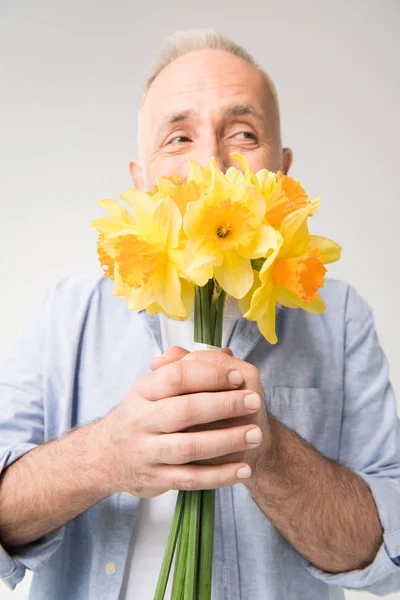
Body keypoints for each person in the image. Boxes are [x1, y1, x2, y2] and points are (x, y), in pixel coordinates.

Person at [0, 29, 399, 600]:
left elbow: (385, 553)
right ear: (139, 180)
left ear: (282, 176)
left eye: (243, 133)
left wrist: (268, 451)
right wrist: (105, 456)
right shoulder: (71, 311)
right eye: (179, 137)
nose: (212, 161)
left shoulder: (335, 317)